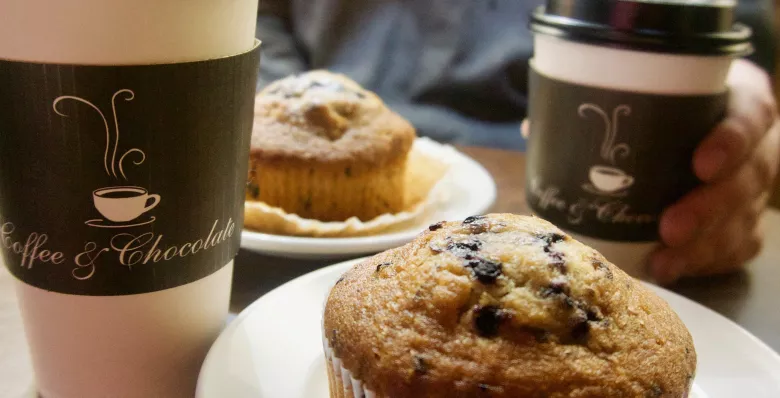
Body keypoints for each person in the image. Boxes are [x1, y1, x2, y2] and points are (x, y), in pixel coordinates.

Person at [255, 0, 780, 283]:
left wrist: (736, 92)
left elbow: (731, 25)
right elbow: (259, 16)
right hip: (258, 253)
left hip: (534, 200)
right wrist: (267, 98)